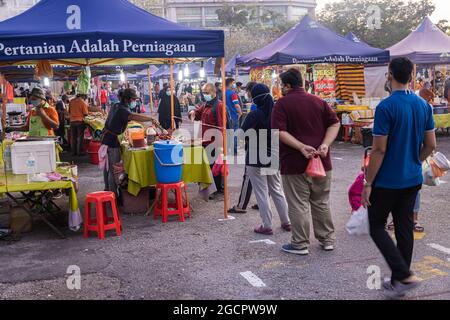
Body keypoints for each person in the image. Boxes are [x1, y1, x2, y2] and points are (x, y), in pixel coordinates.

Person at [361, 57, 436, 298]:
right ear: (412, 76)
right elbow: (430, 145)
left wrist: (368, 183)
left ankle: (403, 275)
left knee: (375, 225)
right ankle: (398, 281)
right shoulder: (424, 105)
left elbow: (379, 150)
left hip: (387, 181)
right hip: (412, 178)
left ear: (390, 75)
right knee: (404, 227)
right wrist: (414, 160)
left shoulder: (386, 107)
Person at [271, 68, 340, 256]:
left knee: (298, 204)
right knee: (321, 202)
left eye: (281, 84)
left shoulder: (282, 104)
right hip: (322, 161)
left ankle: (300, 243)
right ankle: (327, 240)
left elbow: (279, 131)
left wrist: (301, 147)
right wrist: (325, 144)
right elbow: (335, 123)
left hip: (294, 164)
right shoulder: (318, 101)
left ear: (287, 85)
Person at [241, 84, 291, 235]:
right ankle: (286, 221)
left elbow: (242, 134)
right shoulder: (278, 113)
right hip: (274, 156)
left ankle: (267, 225)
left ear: (255, 99)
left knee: (262, 192)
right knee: (277, 189)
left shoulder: (254, 115)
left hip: (255, 157)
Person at [101, 88, 160, 194]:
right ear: (128, 99)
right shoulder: (123, 109)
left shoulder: (116, 105)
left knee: (107, 168)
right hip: (112, 142)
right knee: (113, 169)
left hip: (106, 139)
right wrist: (150, 118)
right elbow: (133, 116)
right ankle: (112, 195)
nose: (135, 102)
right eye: (134, 99)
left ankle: (108, 190)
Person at [189, 83, 226, 199]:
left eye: (206, 93)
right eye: (203, 93)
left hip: (215, 141)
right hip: (205, 141)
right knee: (208, 166)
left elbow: (222, 126)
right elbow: (197, 113)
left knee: (216, 167)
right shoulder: (205, 105)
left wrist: (221, 144)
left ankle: (218, 190)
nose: (205, 95)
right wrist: (192, 113)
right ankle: (211, 190)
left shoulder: (219, 106)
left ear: (213, 92)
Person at [228, 81, 259, 214]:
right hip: (271, 145)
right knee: (269, 178)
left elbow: (246, 129)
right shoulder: (272, 106)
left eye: (248, 91)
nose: (246, 93)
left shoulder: (254, 107)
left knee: (248, 176)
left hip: (255, 145)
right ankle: (262, 202)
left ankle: (241, 205)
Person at [225, 78, 243, 155]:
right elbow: (236, 105)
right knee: (234, 134)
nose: (234, 84)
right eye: (234, 83)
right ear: (230, 84)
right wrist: (240, 112)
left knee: (228, 134)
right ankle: (234, 151)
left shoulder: (222, 93)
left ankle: (227, 150)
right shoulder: (233, 93)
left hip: (226, 117)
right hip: (233, 117)